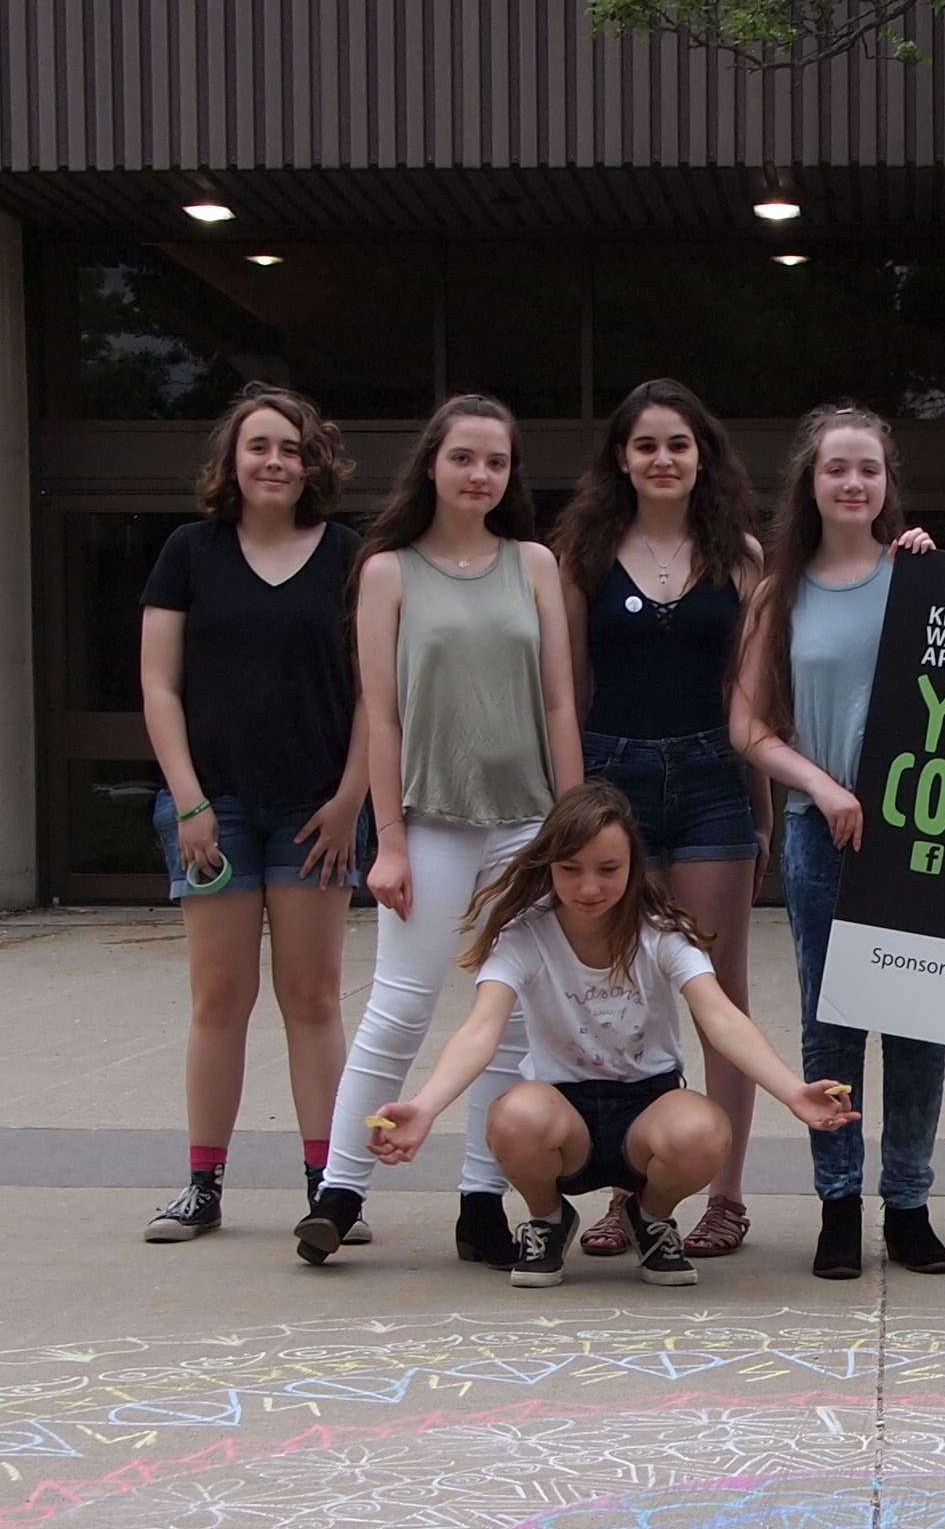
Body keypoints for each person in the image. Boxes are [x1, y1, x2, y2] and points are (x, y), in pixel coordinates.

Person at [296, 394, 586, 1269]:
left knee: (509, 1020)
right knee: (400, 1008)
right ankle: (339, 1192)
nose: (480, 475)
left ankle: (480, 1202)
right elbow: (380, 718)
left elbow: (558, 700)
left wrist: (570, 832)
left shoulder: (534, 564)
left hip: (527, 824)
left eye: (496, 462)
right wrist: (387, 840)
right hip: (428, 822)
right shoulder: (387, 570)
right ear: (433, 463)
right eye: (464, 458)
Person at [364, 779, 858, 1290]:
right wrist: (424, 1107)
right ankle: (548, 1219)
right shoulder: (523, 935)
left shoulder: (661, 930)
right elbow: (478, 1032)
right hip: (563, 1111)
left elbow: (721, 1016)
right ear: (548, 865)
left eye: (608, 869)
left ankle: (651, 1216)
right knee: (513, 1115)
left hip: (648, 1107)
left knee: (706, 1130)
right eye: (570, 870)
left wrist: (791, 1090)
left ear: (634, 866)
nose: (589, 888)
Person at [136, 384, 368, 1245]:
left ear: (315, 465)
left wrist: (351, 800)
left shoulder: (350, 555)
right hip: (215, 809)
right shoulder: (189, 553)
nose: (276, 462)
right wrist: (190, 803)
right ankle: (203, 1186)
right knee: (219, 999)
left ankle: (329, 1185)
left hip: (320, 812)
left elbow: (377, 697)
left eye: (292, 449)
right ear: (232, 459)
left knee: (312, 998)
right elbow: (159, 687)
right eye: (260, 446)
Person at [544, 380, 769, 1260]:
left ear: (702, 455)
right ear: (621, 459)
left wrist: (760, 817)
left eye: (679, 443)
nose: (663, 459)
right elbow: (566, 691)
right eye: (646, 445)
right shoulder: (585, 556)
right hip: (614, 782)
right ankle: (629, 1195)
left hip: (713, 778)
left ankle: (727, 1194)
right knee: (624, 990)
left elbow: (749, 697)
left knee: (718, 992)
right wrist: (575, 811)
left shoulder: (740, 556)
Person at [728, 401, 945, 1284]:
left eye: (868, 468)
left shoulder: (923, 578)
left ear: (888, 482)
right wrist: (818, 784)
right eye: (835, 468)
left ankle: (909, 1203)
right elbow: (747, 724)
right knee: (833, 1024)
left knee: (920, 1024)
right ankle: (836, 1203)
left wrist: (943, 581)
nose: (853, 482)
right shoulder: (780, 594)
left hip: (920, 834)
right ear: (810, 484)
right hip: (822, 834)